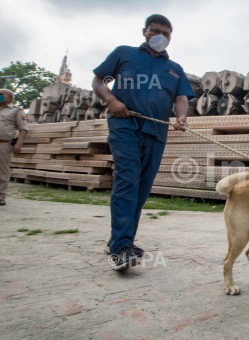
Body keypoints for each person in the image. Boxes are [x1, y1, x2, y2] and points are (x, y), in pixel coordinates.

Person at [92, 14, 195, 270]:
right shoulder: (124, 53)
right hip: (125, 125)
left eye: (166, 33)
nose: (160, 36)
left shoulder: (175, 69)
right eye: (155, 30)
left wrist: (181, 117)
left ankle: (118, 238)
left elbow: (182, 97)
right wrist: (112, 101)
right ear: (145, 31)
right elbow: (98, 81)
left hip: (156, 131)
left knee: (141, 189)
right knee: (127, 177)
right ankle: (122, 247)